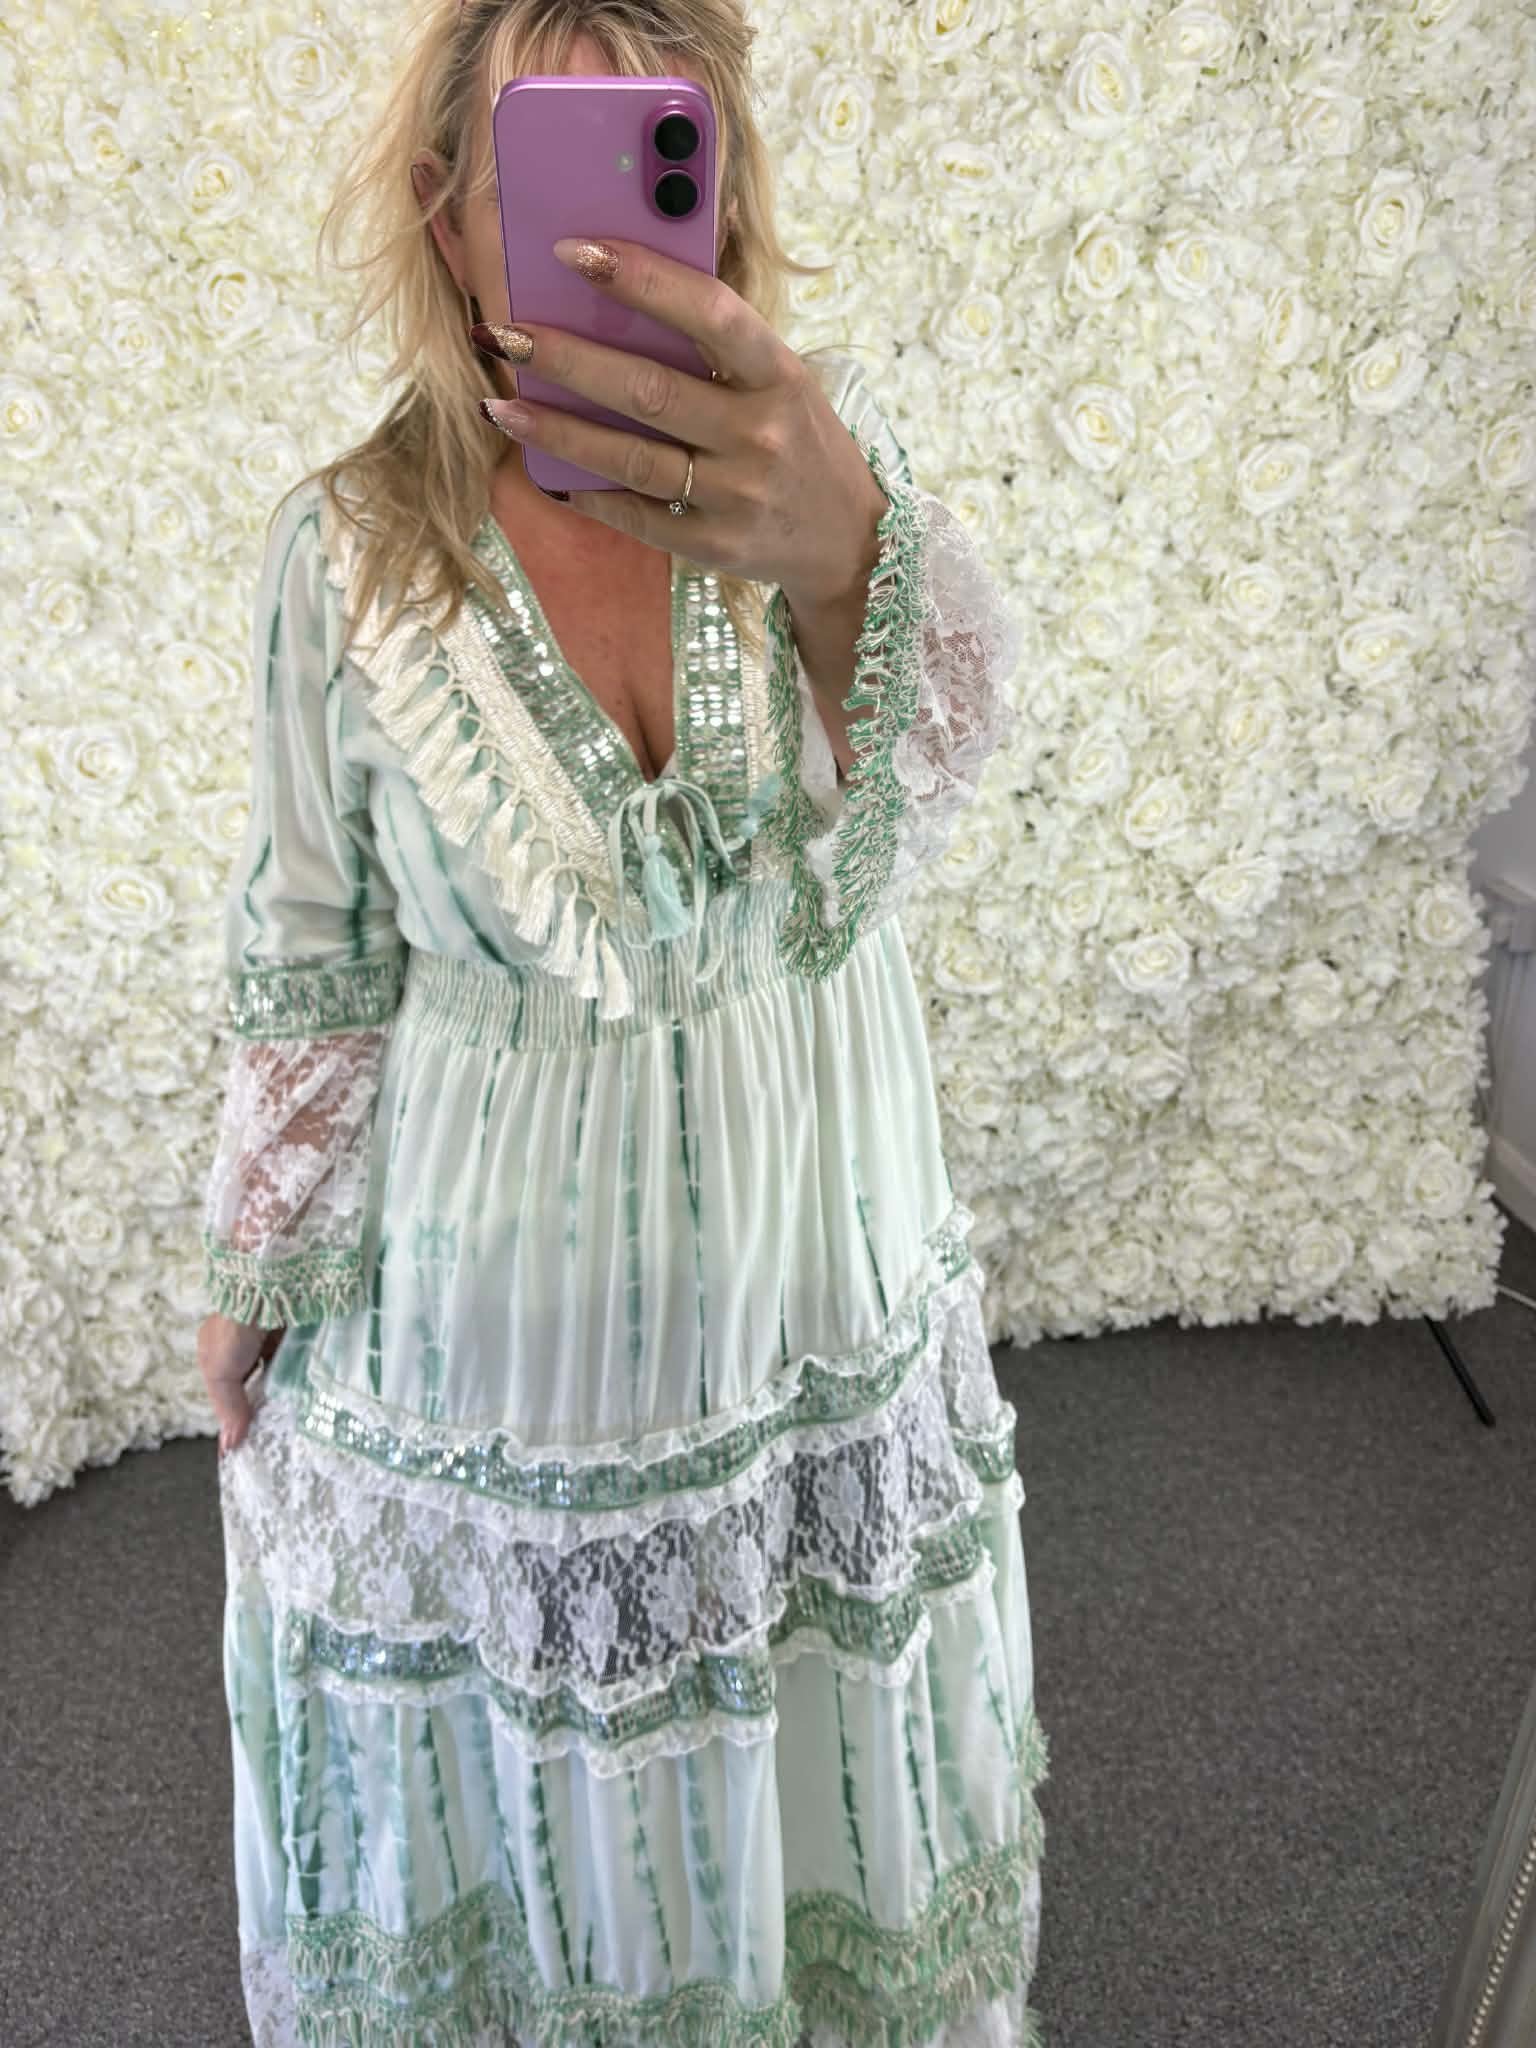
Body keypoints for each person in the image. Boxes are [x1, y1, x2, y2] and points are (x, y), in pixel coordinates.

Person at [194, 2, 1048, 2042]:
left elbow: (948, 763)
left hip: (811, 1257)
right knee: (525, 1761)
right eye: (547, 178)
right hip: (503, 1323)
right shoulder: (351, 553)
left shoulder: (815, 475)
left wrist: (846, 547)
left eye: (667, 160)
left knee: (815, 1712)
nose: (611, 241)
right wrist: (256, 1258)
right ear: (447, 212)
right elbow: (313, 934)